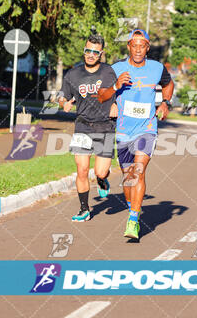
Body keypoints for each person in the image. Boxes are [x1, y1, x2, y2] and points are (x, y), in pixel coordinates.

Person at [98, 29, 174, 239]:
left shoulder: (157, 68)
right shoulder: (117, 68)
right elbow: (101, 96)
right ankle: (135, 207)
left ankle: (133, 219)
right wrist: (115, 87)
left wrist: (165, 103)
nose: (138, 49)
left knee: (138, 171)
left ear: (147, 47)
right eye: (134, 45)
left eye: (143, 45)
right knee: (128, 178)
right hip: (123, 131)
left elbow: (169, 85)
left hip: (146, 129)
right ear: (129, 46)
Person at [59, 32, 118, 222]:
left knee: (100, 171)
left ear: (101, 54)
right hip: (83, 125)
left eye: (95, 52)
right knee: (82, 169)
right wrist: (64, 103)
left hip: (105, 126)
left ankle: (102, 179)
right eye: (88, 51)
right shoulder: (73, 74)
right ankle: (84, 209)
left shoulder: (108, 72)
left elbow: (118, 92)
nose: (91, 55)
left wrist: (116, 104)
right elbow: (63, 96)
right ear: (84, 51)